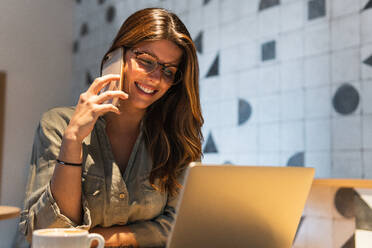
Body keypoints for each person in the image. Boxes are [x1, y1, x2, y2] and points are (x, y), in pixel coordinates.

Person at [17, 8, 203, 248]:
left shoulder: (177, 139)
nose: (156, 78)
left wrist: (99, 238)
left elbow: (177, 227)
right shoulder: (57, 124)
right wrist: (72, 140)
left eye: (168, 71)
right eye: (147, 61)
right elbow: (46, 234)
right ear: (115, 57)